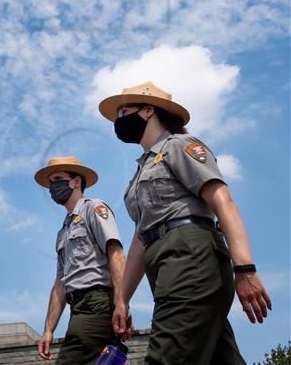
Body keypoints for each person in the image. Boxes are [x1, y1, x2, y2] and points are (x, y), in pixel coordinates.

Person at [99, 81, 272, 364]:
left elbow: (223, 201)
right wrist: (122, 299)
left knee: (166, 357)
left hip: (190, 258)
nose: (118, 120)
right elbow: (143, 236)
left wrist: (245, 269)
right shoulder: (142, 168)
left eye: (124, 111)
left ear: (147, 111)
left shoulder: (180, 146)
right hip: (167, 266)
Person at [35, 156, 127, 364]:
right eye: (50, 182)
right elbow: (60, 284)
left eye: (58, 178)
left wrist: (122, 301)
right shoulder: (62, 232)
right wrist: (48, 330)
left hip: (97, 302)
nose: (53, 186)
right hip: (78, 308)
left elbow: (116, 253)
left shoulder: (93, 208)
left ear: (76, 182)